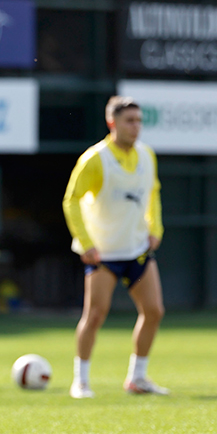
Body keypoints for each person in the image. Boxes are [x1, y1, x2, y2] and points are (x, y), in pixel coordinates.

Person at [62, 96, 169, 399]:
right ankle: (80, 381)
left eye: (138, 121)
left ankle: (138, 378)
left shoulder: (147, 155)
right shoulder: (96, 159)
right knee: (95, 314)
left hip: (137, 249)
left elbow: (154, 192)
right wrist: (85, 243)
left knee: (154, 311)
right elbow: (71, 200)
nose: (136, 127)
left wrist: (155, 228)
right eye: (129, 121)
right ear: (112, 123)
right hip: (104, 253)